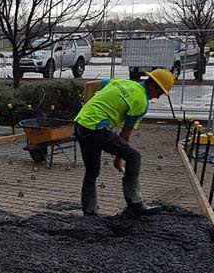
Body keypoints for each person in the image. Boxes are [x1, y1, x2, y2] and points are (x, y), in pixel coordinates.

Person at [73, 69, 175, 218]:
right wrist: (118, 159)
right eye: (159, 93)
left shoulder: (122, 82)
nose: (158, 97)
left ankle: (89, 212)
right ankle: (135, 205)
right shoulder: (141, 101)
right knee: (134, 156)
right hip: (96, 128)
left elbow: (90, 85)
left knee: (92, 171)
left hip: (80, 124)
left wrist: (87, 109)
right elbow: (125, 134)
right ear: (152, 85)